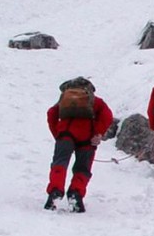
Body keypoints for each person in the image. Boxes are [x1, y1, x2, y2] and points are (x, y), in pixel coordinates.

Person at [45, 77, 114, 212]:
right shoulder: (95, 100)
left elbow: (51, 113)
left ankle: (55, 191)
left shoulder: (63, 100)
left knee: (60, 163)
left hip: (65, 134)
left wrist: (58, 134)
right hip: (87, 137)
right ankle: (75, 194)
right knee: (82, 168)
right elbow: (107, 115)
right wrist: (98, 133)